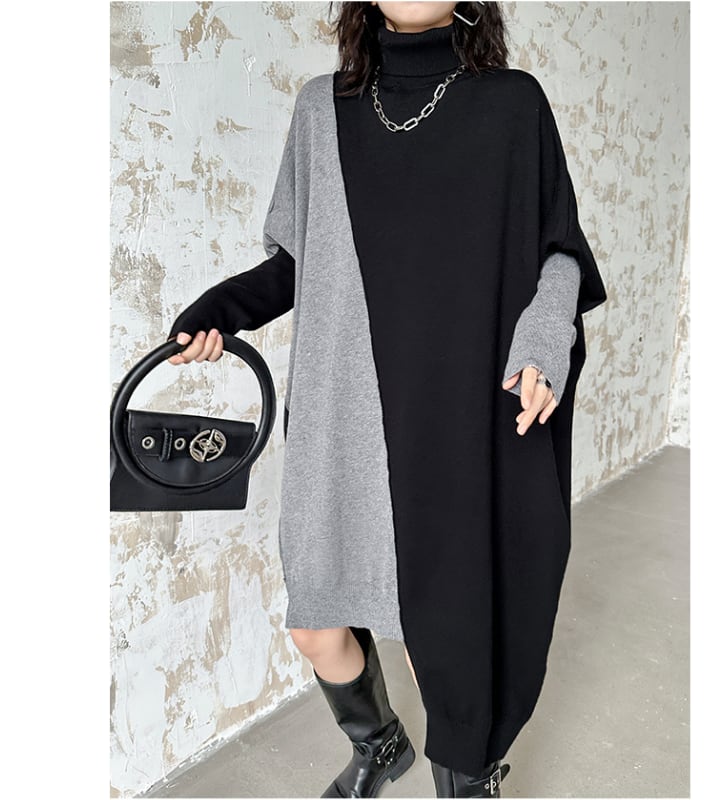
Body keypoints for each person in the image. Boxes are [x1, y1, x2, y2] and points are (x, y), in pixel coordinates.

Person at [167, 2, 607, 797]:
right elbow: (294, 264)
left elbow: (560, 253)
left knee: (448, 649)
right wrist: (221, 310)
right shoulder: (321, 108)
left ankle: (467, 782)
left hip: (453, 422)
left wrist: (544, 343)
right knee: (315, 623)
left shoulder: (511, 105)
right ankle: (379, 746)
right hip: (339, 421)